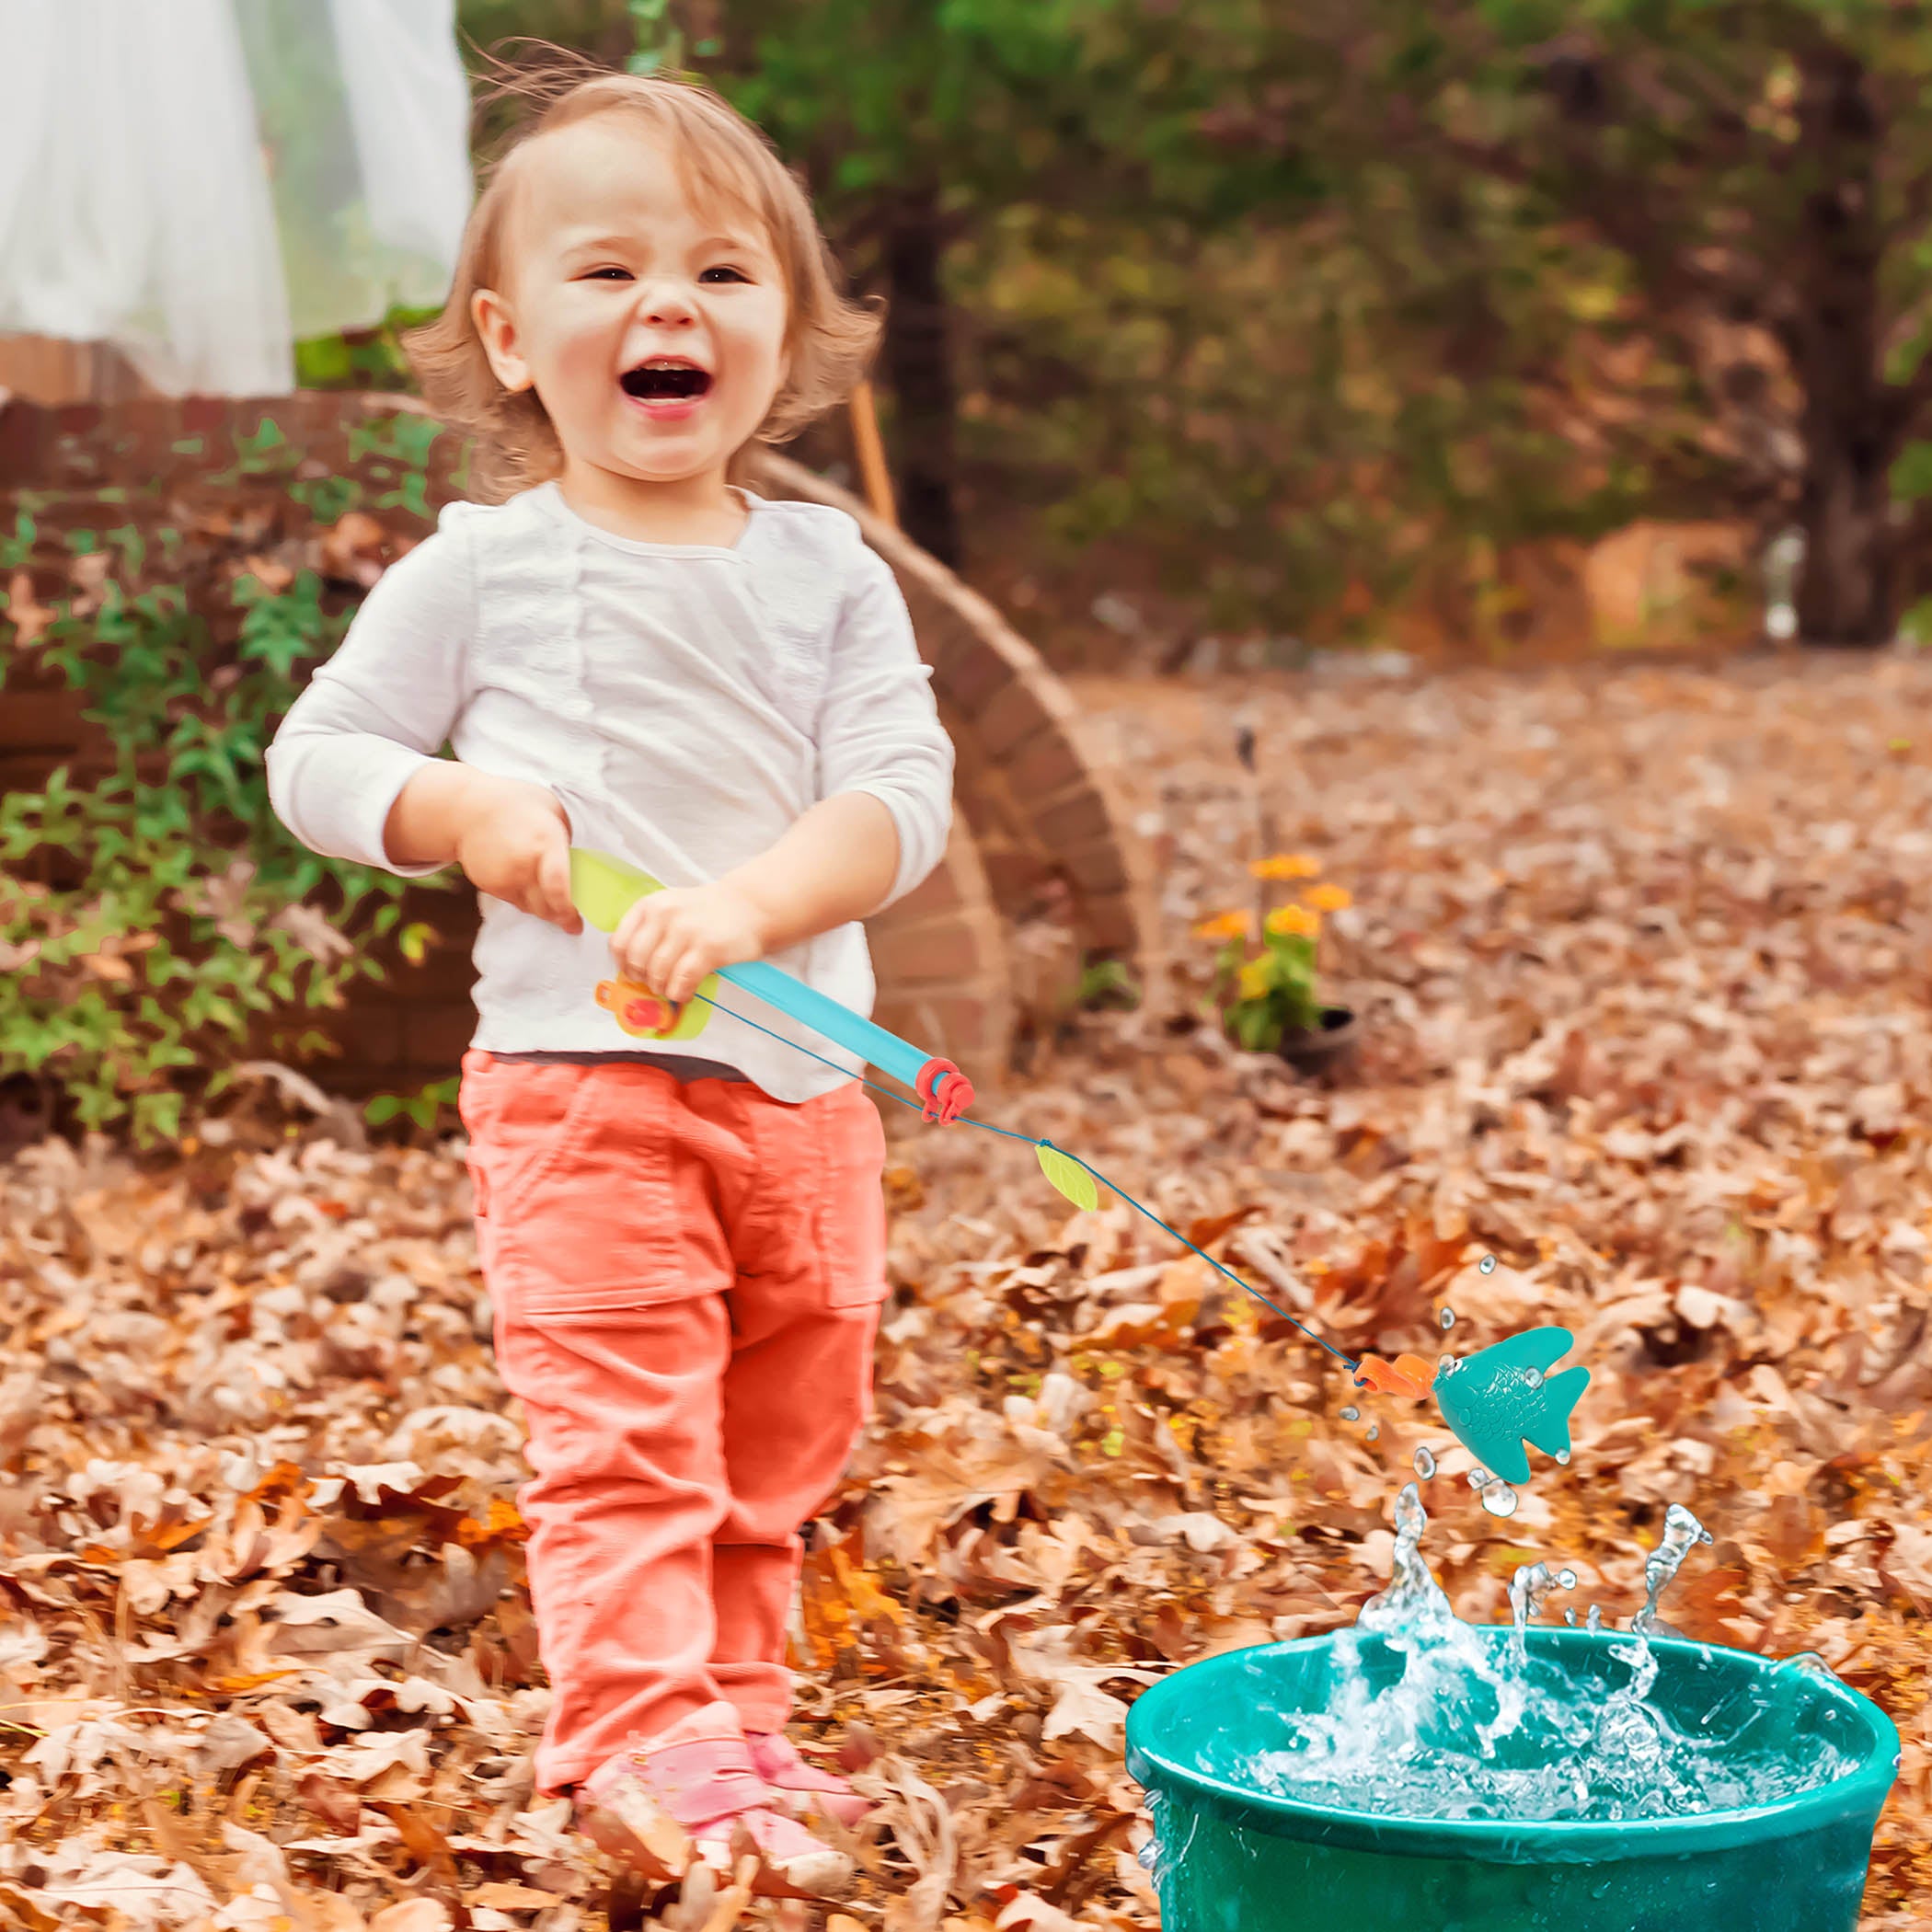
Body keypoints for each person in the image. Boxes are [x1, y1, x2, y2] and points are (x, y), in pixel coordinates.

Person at [266, 64, 955, 1902]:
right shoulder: (485, 568)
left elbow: (901, 803)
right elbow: (315, 761)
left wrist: (746, 903)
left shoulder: (827, 570)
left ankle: (736, 1725)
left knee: (777, 1450)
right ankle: (636, 1751)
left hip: (806, 1097)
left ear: (788, 335)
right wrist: (463, 802)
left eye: (723, 274)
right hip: (587, 1098)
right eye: (608, 271)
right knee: (629, 1446)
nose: (669, 306)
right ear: (508, 336)